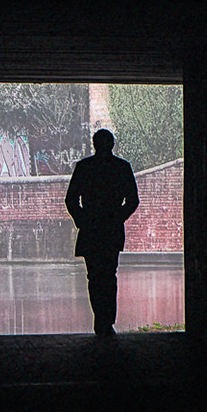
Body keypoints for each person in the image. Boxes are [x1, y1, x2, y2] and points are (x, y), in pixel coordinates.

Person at [65, 127, 140, 336]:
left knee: (94, 277)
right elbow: (133, 201)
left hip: (91, 229)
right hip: (111, 229)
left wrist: (82, 220)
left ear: (94, 144)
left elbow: (71, 200)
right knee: (109, 275)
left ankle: (100, 319)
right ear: (112, 144)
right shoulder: (122, 167)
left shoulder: (84, 167)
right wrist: (118, 217)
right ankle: (107, 321)